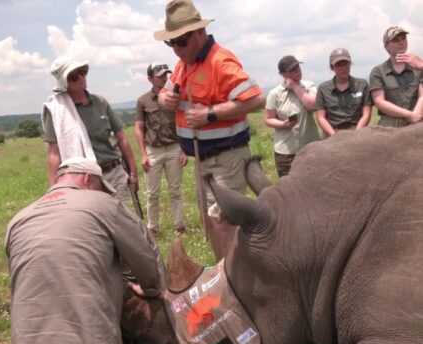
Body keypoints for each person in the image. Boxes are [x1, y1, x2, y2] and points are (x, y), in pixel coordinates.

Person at [5, 157, 163, 344]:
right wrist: (151, 287)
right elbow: (143, 255)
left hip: (32, 338)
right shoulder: (103, 203)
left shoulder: (18, 219)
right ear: (89, 180)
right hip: (90, 326)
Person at [154, 0, 265, 260]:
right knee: (212, 222)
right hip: (202, 161)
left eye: (181, 41)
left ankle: (235, 281)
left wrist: (210, 114)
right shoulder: (184, 64)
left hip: (226, 158)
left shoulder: (220, 61)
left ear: (199, 33)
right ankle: (223, 273)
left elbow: (256, 99)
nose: (177, 50)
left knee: (224, 223)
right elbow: (165, 93)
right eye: (172, 43)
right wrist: (163, 99)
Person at [42, 55, 138, 204]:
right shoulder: (56, 110)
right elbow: (54, 152)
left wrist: (133, 172)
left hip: (114, 171)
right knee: (94, 223)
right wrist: (55, 189)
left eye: (82, 72)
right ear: (64, 83)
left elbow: (121, 137)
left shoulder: (100, 102)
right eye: (73, 76)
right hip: (84, 179)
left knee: (119, 220)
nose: (81, 78)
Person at [135, 62, 187, 238]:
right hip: (153, 151)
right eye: (160, 75)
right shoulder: (143, 100)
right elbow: (139, 128)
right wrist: (143, 154)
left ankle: (180, 227)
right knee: (152, 193)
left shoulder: (174, 97)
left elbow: (182, 123)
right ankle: (153, 229)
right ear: (150, 78)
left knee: (175, 191)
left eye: (166, 74)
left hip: (174, 147)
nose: (165, 78)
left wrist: (184, 150)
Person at [264, 55, 322, 178]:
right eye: (292, 69)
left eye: (298, 67)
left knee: (315, 183)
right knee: (289, 190)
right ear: (283, 74)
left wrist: (296, 87)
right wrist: (282, 124)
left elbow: (313, 105)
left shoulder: (309, 86)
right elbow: (268, 119)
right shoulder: (274, 94)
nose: (298, 70)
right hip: (286, 151)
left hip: (311, 146)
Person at [369, 26, 423, 127]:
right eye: (396, 40)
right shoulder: (378, 71)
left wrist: (415, 116)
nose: (401, 42)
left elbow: (422, 96)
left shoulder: (418, 66)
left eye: (403, 38)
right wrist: (409, 115)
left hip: (417, 120)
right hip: (390, 124)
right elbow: (379, 102)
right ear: (386, 46)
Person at [315, 48, 372, 136]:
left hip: (358, 132)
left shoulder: (362, 85)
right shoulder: (323, 89)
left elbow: (367, 113)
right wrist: (335, 136)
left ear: (350, 63)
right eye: (338, 65)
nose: (343, 68)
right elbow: (320, 117)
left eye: (345, 63)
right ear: (332, 67)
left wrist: (356, 134)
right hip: (333, 133)